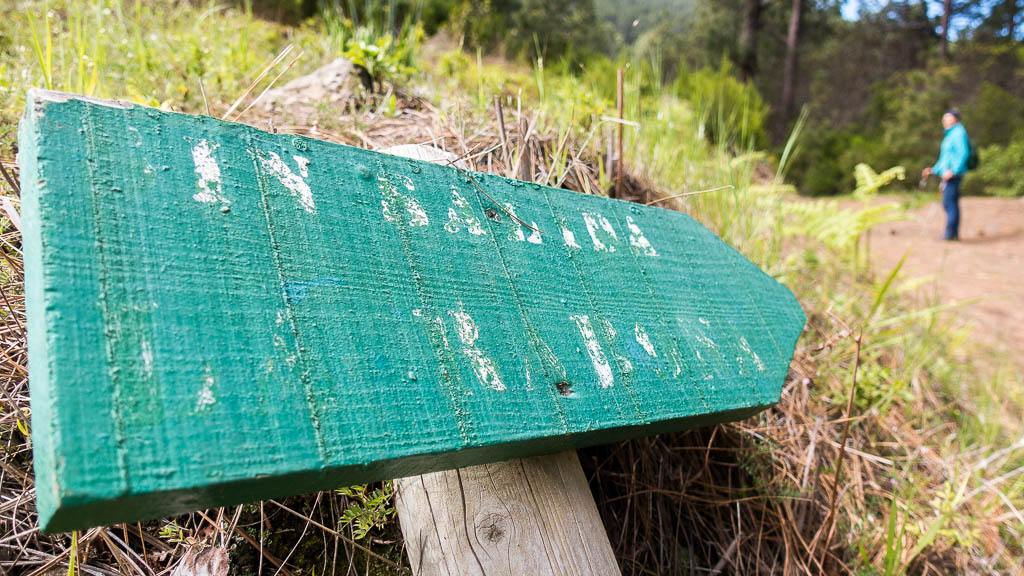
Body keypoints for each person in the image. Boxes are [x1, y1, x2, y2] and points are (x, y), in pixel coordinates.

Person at [922, 110, 970, 241]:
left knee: (949, 202)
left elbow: (963, 153)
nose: (945, 120)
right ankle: (952, 233)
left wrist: (953, 171)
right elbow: (945, 159)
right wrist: (934, 170)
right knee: (950, 202)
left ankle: (950, 234)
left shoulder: (958, 133)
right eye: (944, 118)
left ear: (956, 119)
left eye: (948, 118)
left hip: (953, 175)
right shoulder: (950, 134)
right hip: (948, 173)